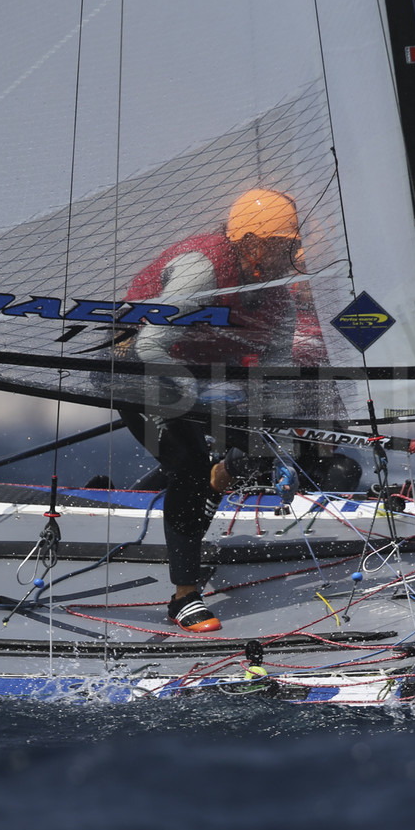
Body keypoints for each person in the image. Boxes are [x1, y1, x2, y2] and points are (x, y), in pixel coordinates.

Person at [121, 189, 328, 632]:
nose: (292, 256)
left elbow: (275, 370)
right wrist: (197, 397)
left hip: (203, 376)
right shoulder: (202, 267)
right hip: (136, 372)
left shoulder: (276, 295)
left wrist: (280, 440)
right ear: (251, 243)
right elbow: (148, 346)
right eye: (283, 246)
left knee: (260, 450)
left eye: (293, 245)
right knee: (188, 465)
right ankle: (184, 596)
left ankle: (216, 480)